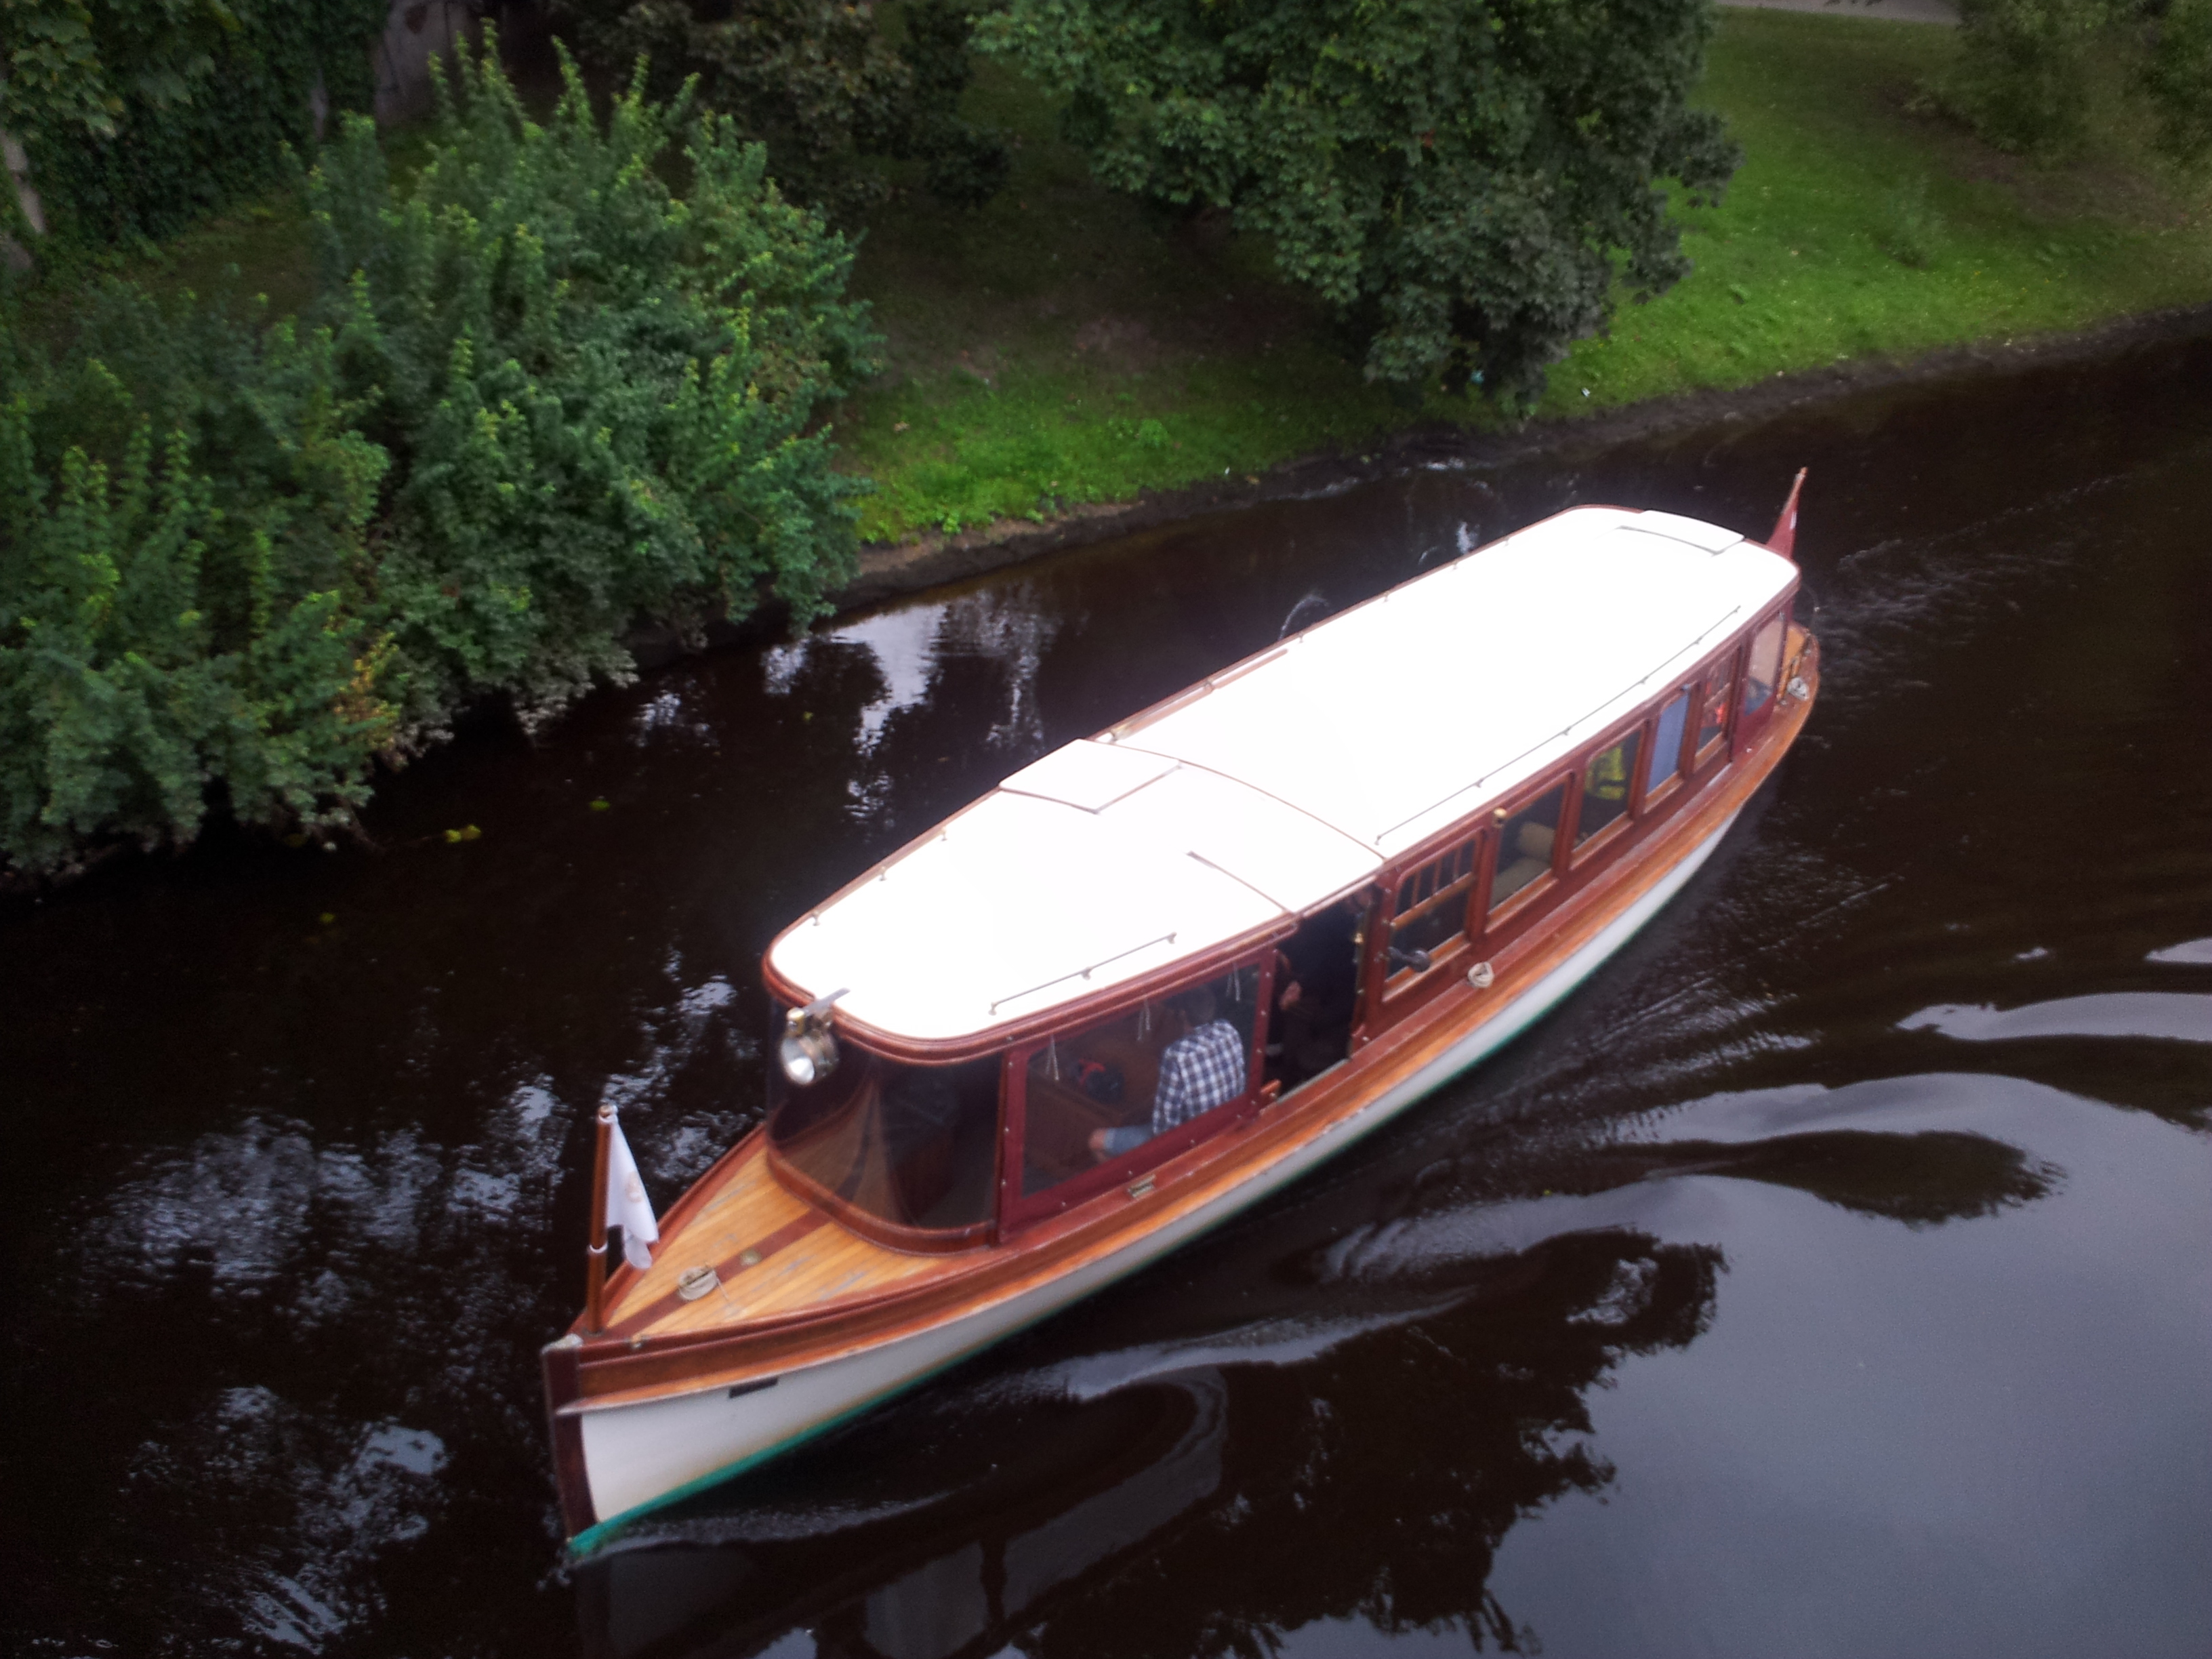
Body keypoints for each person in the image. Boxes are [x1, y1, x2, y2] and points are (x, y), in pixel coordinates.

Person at [1088, 985, 1246, 1160]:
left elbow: (1164, 1129)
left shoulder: (1176, 1056)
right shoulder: (1228, 1030)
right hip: (1227, 1124)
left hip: (1193, 1143)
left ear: (1183, 1015)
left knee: (1096, 1140)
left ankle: (1141, 1177)